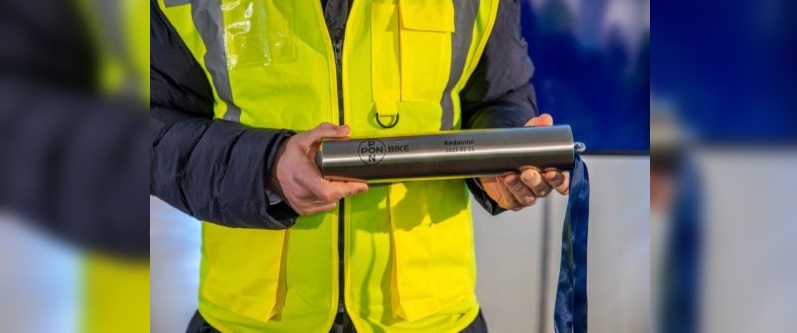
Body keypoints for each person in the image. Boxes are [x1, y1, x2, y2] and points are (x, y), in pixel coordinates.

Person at [150, 0, 569, 331]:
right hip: (253, 321)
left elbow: (498, 96)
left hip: (431, 318)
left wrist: (501, 154)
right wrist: (267, 166)